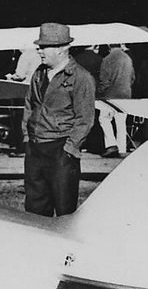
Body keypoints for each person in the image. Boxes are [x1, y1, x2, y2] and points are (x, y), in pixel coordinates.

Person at [22, 23, 96, 217]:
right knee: (34, 212)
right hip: (36, 149)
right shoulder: (39, 74)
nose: (39, 50)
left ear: (62, 48)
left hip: (60, 151)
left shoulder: (81, 78)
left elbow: (85, 119)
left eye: (45, 46)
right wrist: (27, 138)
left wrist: (69, 149)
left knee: (64, 213)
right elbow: (29, 105)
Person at [95, 41, 134, 157]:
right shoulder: (128, 58)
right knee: (121, 122)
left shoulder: (107, 59)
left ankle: (111, 144)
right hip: (126, 95)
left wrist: (98, 93)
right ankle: (122, 148)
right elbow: (133, 78)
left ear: (108, 45)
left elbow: (104, 81)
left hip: (110, 96)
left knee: (104, 119)